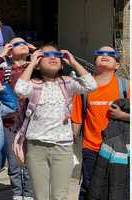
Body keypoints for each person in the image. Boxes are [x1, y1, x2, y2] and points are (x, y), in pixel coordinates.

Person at [14, 45, 97, 200]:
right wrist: (31, 64)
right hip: (36, 146)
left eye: (56, 55)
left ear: (62, 62)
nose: (52, 57)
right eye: (46, 55)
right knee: (40, 195)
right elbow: (20, 90)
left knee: (59, 196)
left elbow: (91, 85)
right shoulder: (34, 84)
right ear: (38, 61)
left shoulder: (68, 83)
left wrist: (73, 62)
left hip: (63, 147)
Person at [71, 46, 130, 200]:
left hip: (118, 150)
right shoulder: (83, 88)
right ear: (95, 61)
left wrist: (122, 115)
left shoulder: (125, 87)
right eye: (100, 53)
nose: (104, 55)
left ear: (117, 65)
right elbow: (76, 121)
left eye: (110, 54)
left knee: (114, 189)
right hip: (91, 149)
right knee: (89, 188)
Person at [0, 37, 35, 200]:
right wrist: (1, 55)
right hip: (10, 122)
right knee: (14, 162)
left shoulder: (36, 68)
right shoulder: (4, 69)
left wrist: (35, 53)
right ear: (10, 51)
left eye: (25, 43)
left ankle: (29, 194)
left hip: (33, 121)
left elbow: (53, 64)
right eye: (16, 44)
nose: (23, 45)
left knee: (30, 161)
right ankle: (17, 194)